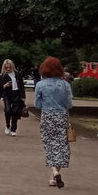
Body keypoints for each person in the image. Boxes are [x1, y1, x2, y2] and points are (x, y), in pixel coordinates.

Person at [34, 57, 73, 188]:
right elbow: (70, 104)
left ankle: (54, 172)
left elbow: (37, 104)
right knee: (61, 144)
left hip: (47, 116)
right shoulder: (65, 85)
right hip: (61, 116)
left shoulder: (40, 85)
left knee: (49, 143)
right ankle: (54, 175)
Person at [0, 59, 26, 136]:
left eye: (10, 67)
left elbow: (22, 86)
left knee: (15, 112)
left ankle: (14, 129)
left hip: (16, 93)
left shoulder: (17, 74)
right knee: (7, 110)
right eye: (7, 68)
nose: (8, 69)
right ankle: (7, 125)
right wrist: (4, 86)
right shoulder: (2, 76)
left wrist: (23, 96)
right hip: (7, 94)